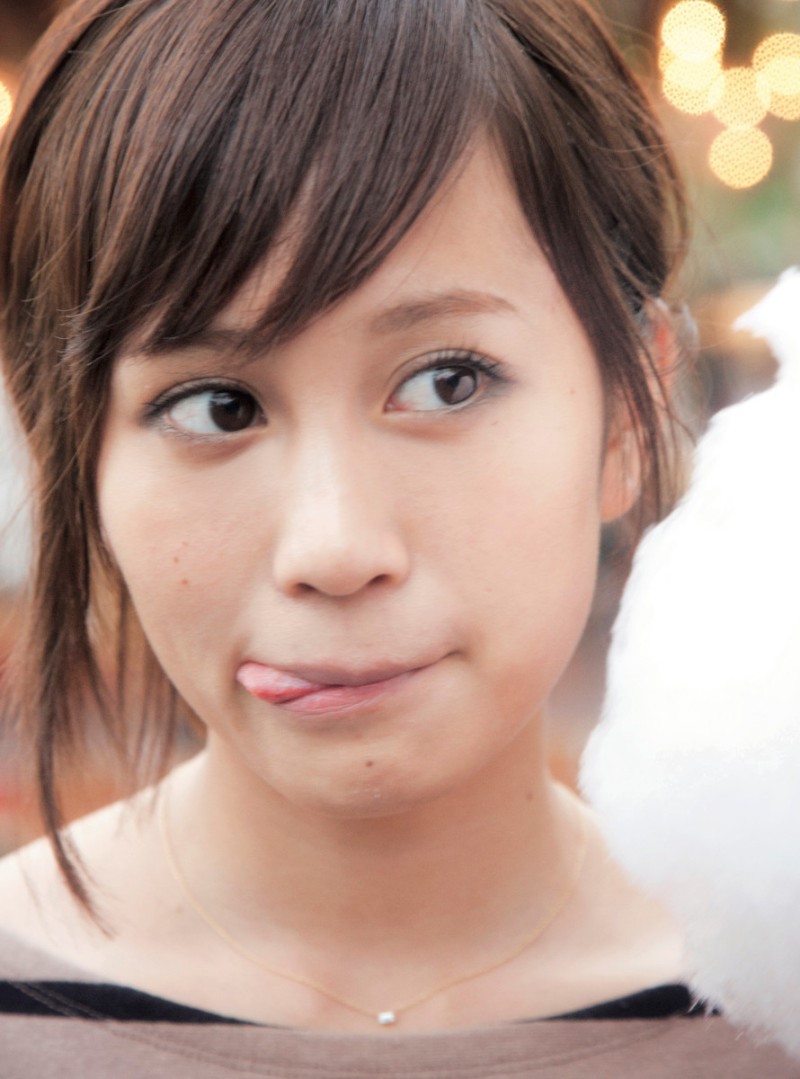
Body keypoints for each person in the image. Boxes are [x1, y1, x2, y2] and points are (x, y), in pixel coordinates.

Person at [0, 0, 795, 1074]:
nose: (332, 548)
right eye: (217, 406)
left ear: (625, 411)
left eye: (446, 381)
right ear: (71, 449)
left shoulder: (767, 1002)